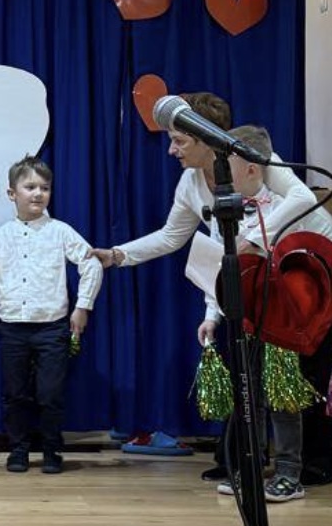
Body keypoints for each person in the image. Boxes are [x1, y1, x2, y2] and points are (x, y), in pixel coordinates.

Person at [93, 92, 332, 482]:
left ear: (206, 139)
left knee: (306, 373)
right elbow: (175, 237)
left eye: (179, 141)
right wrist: (119, 255)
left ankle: (310, 465)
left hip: (312, 271)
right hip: (263, 279)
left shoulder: (254, 160)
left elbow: (302, 197)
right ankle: (246, 462)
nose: (171, 150)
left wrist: (251, 238)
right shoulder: (190, 182)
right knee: (251, 375)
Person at [197, 126, 325, 504]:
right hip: (246, 319)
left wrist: (255, 242)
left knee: (282, 396)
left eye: (228, 163)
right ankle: (251, 467)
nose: (219, 170)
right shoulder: (226, 209)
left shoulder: (286, 205)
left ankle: (289, 473)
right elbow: (218, 269)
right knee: (248, 394)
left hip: (282, 320)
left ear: (252, 168)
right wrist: (211, 315)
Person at [0, 156, 103, 475]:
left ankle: (52, 450)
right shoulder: (2, 235)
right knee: (15, 394)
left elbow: (92, 263)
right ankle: (19, 449)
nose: (38, 193)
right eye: (30, 187)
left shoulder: (60, 231)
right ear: (12, 193)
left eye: (45, 188)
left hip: (52, 326)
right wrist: (10, 304)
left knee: (50, 393)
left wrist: (82, 306)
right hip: (13, 326)